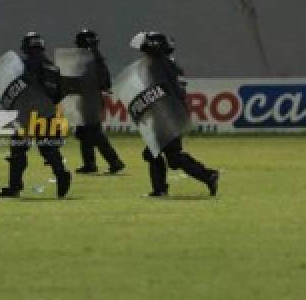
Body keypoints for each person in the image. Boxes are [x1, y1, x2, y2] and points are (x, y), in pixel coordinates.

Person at [135, 32, 219, 198]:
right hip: (172, 114)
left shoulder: (158, 66)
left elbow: (157, 91)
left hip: (167, 116)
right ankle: (203, 177)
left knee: (161, 154)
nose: (144, 52)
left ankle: (207, 176)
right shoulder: (168, 64)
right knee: (165, 155)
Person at [0, 32, 72, 199]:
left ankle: (14, 187)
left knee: (18, 150)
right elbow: (60, 94)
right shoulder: (53, 67)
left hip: (26, 115)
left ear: (26, 48)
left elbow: (10, 88)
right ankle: (62, 174)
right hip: (48, 113)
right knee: (49, 148)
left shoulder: (21, 66)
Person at [69, 29, 124, 175]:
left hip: (89, 100)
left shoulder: (88, 60)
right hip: (92, 99)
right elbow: (105, 82)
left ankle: (114, 161)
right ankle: (90, 164)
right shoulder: (97, 59)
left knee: (93, 132)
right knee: (84, 132)